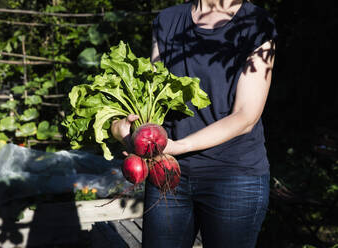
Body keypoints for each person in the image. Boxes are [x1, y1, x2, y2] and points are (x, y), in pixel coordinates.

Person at [111, 0, 277, 247]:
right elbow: (154, 92)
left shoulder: (255, 23)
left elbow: (245, 117)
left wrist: (178, 146)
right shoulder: (168, 20)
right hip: (167, 171)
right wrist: (126, 129)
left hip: (234, 177)